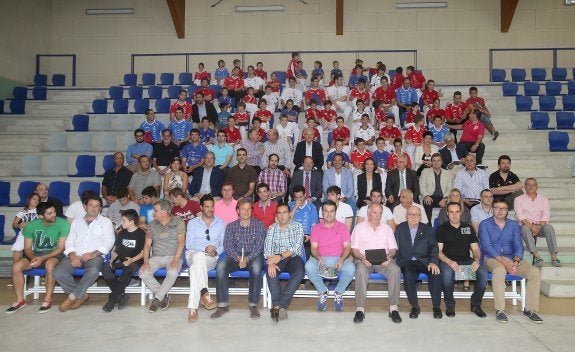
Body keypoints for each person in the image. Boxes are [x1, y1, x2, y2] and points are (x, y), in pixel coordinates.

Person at [479, 199, 543, 324]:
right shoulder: (484, 224)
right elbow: (487, 247)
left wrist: (515, 261)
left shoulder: (513, 225)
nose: (500, 210)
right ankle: (500, 310)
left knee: (534, 272)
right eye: (497, 207)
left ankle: (530, 309)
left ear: (507, 211)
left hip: (512, 258)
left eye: (503, 208)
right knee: (499, 270)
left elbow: (518, 246)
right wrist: (505, 263)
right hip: (492, 259)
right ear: (492, 209)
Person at [54, 195, 115, 312]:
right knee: (58, 272)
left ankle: (72, 297)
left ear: (101, 209)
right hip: (76, 254)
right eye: (91, 205)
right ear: (85, 207)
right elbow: (70, 241)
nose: (94, 208)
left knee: (93, 271)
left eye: (97, 206)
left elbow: (109, 242)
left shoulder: (106, 222)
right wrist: (72, 255)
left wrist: (92, 254)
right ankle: (81, 295)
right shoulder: (76, 222)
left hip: (95, 257)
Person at [6, 202, 68, 314]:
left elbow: (60, 248)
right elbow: (28, 248)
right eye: (49, 213)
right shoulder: (31, 226)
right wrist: (34, 258)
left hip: (54, 254)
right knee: (16, 267)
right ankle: (20, 300)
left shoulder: (63, 223)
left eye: (54, 212)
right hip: (35, 254)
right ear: (40, 216)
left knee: (50, 265)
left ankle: (47, 300)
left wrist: (42, 258)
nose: (54, 215)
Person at [211, 199, 266, 320]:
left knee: (256, 268)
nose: (246, 212)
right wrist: (238, 257)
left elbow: (260, 246)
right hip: (235, 256)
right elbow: (227, 244)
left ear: (252, 210)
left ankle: (253, 305)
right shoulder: (231, 226)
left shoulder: (259, 225)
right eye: (243, 209)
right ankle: (222, 305)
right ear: (237, 211)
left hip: (253, 255)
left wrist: (247, 258)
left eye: (248, 209)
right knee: (221, 266)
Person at [351, 203, 402, 323]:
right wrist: (362, 258)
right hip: (364, 260)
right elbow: (354, 250)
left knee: (395, 270)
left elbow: (393, 249)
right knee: (360, 271)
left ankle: (393, 309)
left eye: (380, 213)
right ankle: (360, 309)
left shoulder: (387, 228)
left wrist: (389, 256)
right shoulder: (359, 227)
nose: (377, 215)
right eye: (374, 212)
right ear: (368, 213)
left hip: (383, 260)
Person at [437, 202, 488, 318]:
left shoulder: (468, 228)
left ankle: (476, 304)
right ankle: (450, 304)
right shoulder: (442, 229)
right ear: (447, 213)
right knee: (446, 273)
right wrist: (449, 262)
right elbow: (438, 252)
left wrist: (476, 260)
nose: (454, 215)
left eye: (457, 212)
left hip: (466, 260)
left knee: (483, 273)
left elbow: (475, 248)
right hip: (448, 261)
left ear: (461, 213)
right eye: (451, 212)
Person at [304, 200, 354, 312]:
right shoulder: (316, 228)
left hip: (339, 258)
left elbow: (347, 247)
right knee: (309, 266)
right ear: (322, 212)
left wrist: (341, 259)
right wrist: (318, 258)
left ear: (335, 212)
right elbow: (313, 249)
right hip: (321, 258)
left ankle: (339, 292)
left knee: (350, 268)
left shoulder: (343, 227)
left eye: (332, 211)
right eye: (326, 211)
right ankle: (322, 292)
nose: (329, 214)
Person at [394, 206, 442, 319]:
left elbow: (434, 247)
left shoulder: (428, 229)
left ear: (420, 217)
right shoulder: (400, 228)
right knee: (408, 275)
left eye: (416, 215)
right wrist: (391, 258)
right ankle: (415, 307)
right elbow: (395, 247)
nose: (413, 217)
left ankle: (436, 307)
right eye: (410, 214)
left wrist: (434, 262)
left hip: (425, 261)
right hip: (407, 261)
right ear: (406, 216)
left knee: (436, 274)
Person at [140, 200, 186, 313]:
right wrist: (146, 262)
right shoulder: (151, 224)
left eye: (155, 211)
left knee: (173, 272)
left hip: (173, 256)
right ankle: (163, 296)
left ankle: (157, 299)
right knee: (143, 273)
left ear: (164, 212)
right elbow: (147, 245)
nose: (153, 213)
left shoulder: (178, 222)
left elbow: (181, 242)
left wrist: (175, 260)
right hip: (157, 257)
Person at [185, 195, 224, 322]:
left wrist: (216, 251)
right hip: (193, 253)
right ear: (201, 207)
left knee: (196, 268)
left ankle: (193, 308)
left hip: (210, 258)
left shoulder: (220, 222)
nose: (210, 209)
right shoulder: (193, 222)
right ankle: (204, 294)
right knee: (199, 256)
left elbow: (223, 245)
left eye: (212, 206)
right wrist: (205, 248)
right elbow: (189, 244)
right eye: (207, 207)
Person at [265, 204, 305, 322]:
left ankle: (278, 305)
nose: (282, 216)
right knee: (270, 272)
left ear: (289, 214)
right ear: (276, 215)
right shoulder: (272, 228)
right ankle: (280, 307)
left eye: (285, 212)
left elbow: (296, 246)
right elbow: (268, 247)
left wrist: (280, 256)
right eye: (279, 213)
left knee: (300, 271)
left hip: (292, 258)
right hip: (275, 257)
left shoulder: (297, 226)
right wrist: (271, 263)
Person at [101, 209, 145, 312]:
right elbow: (117, 250)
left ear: (131, 222)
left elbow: (143, 253)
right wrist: (112, 259)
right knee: (106, 268)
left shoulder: (141, 233)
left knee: (127, 269)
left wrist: (132, 260)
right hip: (122, 260)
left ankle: (111, 300)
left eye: (123, 220)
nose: (121, 223)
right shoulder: (122, 233)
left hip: (135, 261)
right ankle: (121, 295)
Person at [514, 178, 562, 267]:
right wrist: (532, 227)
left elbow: (546, 216)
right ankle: (537, 256)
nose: (531, 186)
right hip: (526, 226)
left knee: (549, 227)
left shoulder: (544, 199)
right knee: (524, 228)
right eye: (528, 184)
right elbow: (520, 216)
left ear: (537, 187)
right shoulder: (518, 199)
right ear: (524, 186)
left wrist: (538, 227)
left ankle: (554, 257)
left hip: (540, 226)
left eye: (533, 184)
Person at [419, 153, 453, 224]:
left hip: (443, 197)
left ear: (441, 162)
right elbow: (422, 186)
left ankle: (445, 226)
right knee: (427, 202)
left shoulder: (448, 173)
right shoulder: (425, 172)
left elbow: (450, 188)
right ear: (431, 162)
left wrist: (445, 199)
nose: (436, 162)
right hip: (430, 197)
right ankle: (428, 226)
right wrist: (426, 195)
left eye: (438, 160)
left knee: (450, 204)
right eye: (434, 161)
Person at [289, 185, 319, 262]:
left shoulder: (311, 207)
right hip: (291, 237)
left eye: (301, 197)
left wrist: (309, 236)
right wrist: (295, 207)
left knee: (304, 255)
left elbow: (314, 227)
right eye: (296, 197)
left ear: (305, 195)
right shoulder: (290, 205)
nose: (299, 200)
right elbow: (286, 221)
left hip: (306, 238)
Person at [10, 192, 40, 263]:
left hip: (36, 234)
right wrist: (20, 225)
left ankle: (32, 270)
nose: (36, 201)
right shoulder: (22, 211)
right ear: (29, 200)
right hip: (23, 234)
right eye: (34, 199)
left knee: (32, 253)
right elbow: (14, 224)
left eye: (38, 200)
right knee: (17, 250)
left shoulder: (40, 211)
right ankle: (15, 269)